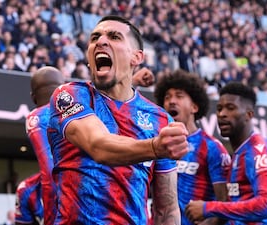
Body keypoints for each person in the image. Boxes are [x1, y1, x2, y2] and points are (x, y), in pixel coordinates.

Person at [48, 15, 189, 224]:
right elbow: (99, 146)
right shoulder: (69, 96)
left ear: (136, 57)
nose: (101, 42)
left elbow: (166, 210)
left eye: (114, 37)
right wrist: (155, 147)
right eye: (95, 38)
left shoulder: (160, 120)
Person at [185, 82, 267, 224]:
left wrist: (208, 207)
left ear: (249, 115)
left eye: (231, 108)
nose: (222, 114)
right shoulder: (238, 154)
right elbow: (234, 210)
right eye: (219, 108)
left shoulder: (258, 150)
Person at [154, 69, 231, 225]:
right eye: (167, 97)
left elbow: (226, 204)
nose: (171, 101)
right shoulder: (157, 146)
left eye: (179, 96)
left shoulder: (212, 147)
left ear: (194, 107)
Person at [25, 66, 65, 225]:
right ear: (63, 88)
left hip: (65, 207)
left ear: (33, 98)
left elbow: (50, 172)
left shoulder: (37, 117)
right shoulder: (84, 110)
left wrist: (50, 219)